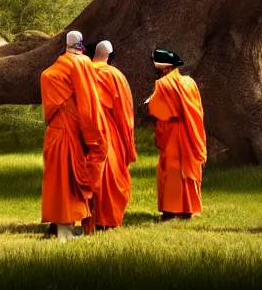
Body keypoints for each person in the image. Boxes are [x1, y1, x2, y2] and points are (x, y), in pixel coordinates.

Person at [40, 31, 108, 241]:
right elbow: (88, 102)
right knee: (67, 181)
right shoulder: (82, 64)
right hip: (70, 133)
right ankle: (63, 231)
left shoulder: (52, 71)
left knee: (60, 181)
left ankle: (65, 229)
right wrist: (93, 136)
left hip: (56, 133)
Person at [145, 48, 206, 221]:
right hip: (190, 130)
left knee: (172, 170)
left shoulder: (162, 85)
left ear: (164, 68)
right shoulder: (190, 83)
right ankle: (189, 209)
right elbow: (198, 109)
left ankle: (171, 210)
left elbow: (156, 109)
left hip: (173, 131)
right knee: (188, 168)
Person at [88, 40, 137, 230]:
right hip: (107, 128)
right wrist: (127, 139)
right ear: (109, 55)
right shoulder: (114, 75)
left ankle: (87, 217)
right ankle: (106, 218)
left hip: (84, 129)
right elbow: (124, 110)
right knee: (111, 171)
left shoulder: (82, 72)